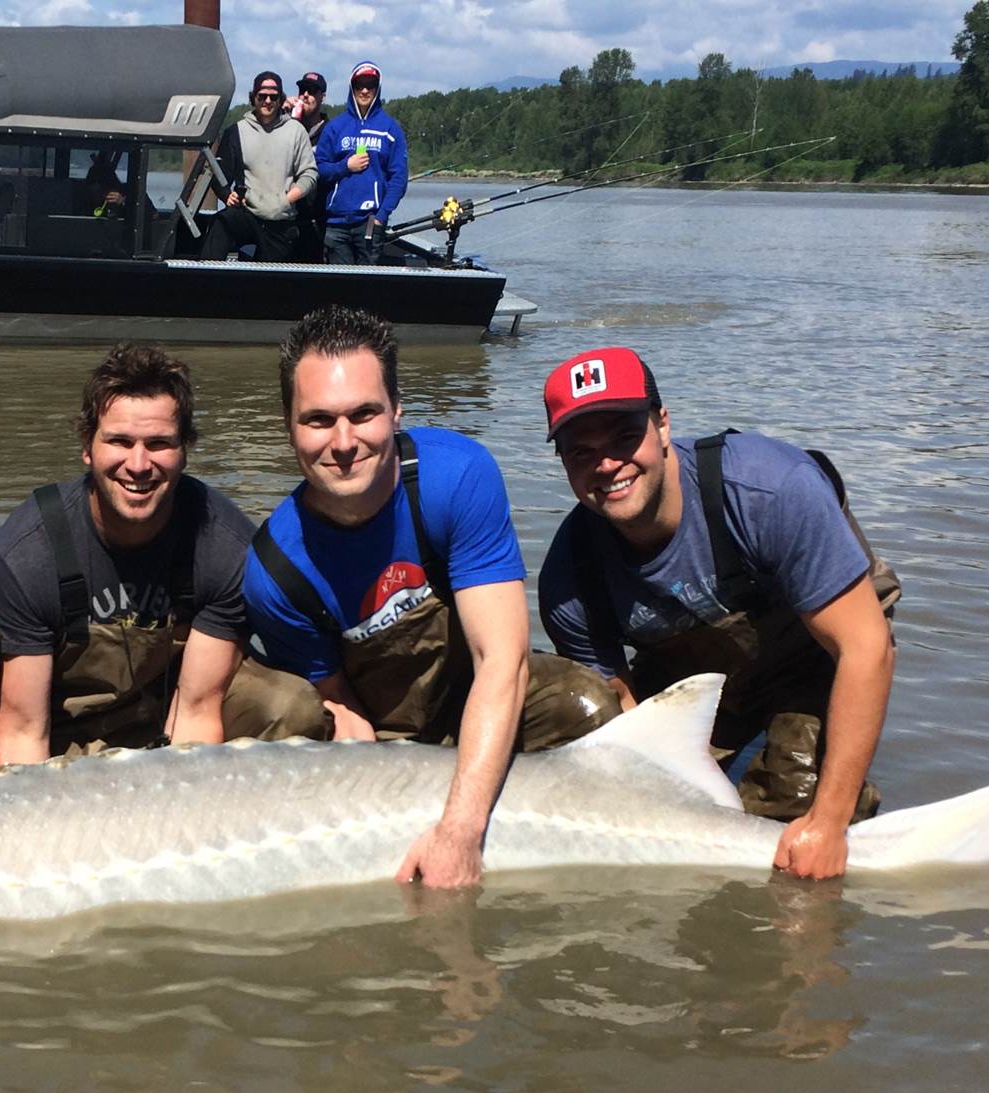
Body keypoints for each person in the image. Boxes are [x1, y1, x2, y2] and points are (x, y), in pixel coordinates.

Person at [242, 306, 619, 888]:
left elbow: (502, 661)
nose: (343, 442)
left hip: (477, 696)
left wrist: (461, 829)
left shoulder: (456, 476)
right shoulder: (274, 568)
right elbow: (337, 701)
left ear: (396, 410)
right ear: (289, 426)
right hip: (386, 728)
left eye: (363, 413)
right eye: (318, 420)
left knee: (587, 705)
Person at [535, 346, 902, 880]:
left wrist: (827, 823)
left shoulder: (768, 490)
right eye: (581, 451)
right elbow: (626, 719)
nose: (607, 464)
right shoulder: (569, 579)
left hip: (815, 650)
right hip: (693, 668)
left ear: (663, 425)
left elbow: (865, 649)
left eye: (623, 438)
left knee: (792, 819)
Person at [0, 342, 327, 763]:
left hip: (167, 721)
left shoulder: (225, 545)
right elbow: (22, 731)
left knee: (290, 704)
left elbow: (197, 710)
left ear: (185, 450)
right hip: (64, 738)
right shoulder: (27, 554)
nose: (139, 464)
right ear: (87, 446)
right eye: (120, 441)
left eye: (159, 443)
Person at [201, 71, 317, 264]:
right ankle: (205, 275)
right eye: (262, 96)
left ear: (280, 99)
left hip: (281, 220)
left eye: (273, 97)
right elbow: (218, 173)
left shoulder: (296, 131)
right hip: (248, 214)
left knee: (271, 276)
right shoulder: (236, 131)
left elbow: (309, 173)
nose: (267, 101)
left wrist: (288, 199)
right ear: (253, 97)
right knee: (221, 222)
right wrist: (225, 195)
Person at [312, 61, 407, 265]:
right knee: (341, 282)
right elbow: (319, 170)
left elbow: (399, 178)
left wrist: (382, 215)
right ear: (352, 87)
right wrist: (345, 166)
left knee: (368, 282)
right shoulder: (335, 127)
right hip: (336, 224)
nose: (364, 91)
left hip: (370, 222)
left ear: (377, 88)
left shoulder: (390, 128)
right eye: (359, 85)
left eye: (370, 85)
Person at [289, 71, 332, 261]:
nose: (306, 95)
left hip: (317, 220)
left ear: (322, 97)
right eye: (302, 90)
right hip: (287, 218)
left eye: (312, 91)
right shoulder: (287, 126)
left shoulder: (331, 132)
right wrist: (282, 115)